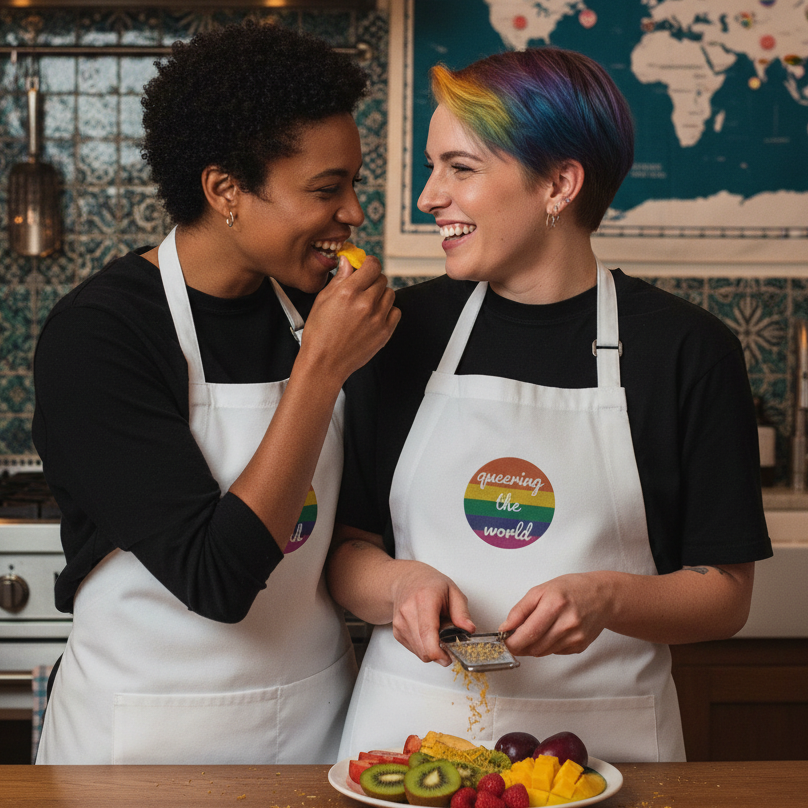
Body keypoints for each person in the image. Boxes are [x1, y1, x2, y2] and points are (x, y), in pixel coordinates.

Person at [327, 47, 772, 763]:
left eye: (460, 169)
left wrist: (608, 598)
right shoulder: (398, 334)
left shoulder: (688, 349)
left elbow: (724, 596)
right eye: (432, 167)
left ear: (559, 184)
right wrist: (397, 583)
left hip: (612, 746)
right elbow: (348, 550)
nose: (427, 197)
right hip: (409, 741)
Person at [33, 21, 398, 765]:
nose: (355, 213)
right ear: (225, 190)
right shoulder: (99, 335)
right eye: (327, 189)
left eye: (354, 184)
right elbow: (216, 579)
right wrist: (320, 372)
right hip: (143, 748)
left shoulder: (323, 317)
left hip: (315, 730)